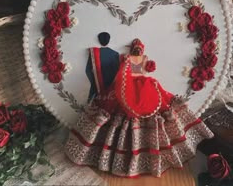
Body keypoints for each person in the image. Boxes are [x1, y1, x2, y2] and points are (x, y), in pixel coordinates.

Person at [65, 38, 213, 178]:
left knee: (152, 108)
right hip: (128, 86)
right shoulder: (127, 60)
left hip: (141, 86)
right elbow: (124, 76)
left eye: (139, 50)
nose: (138, 52)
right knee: (116, 109)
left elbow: (142, 75)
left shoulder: (138, 61)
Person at [85, 32, 120, 103]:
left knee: (94, 106)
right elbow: (117, 72)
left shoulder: (93, 52)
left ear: (98, 40)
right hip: (111, 87)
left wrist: (94, 82)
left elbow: (87, 70)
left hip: (96, 86)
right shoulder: (115, 54)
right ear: (109, 40)